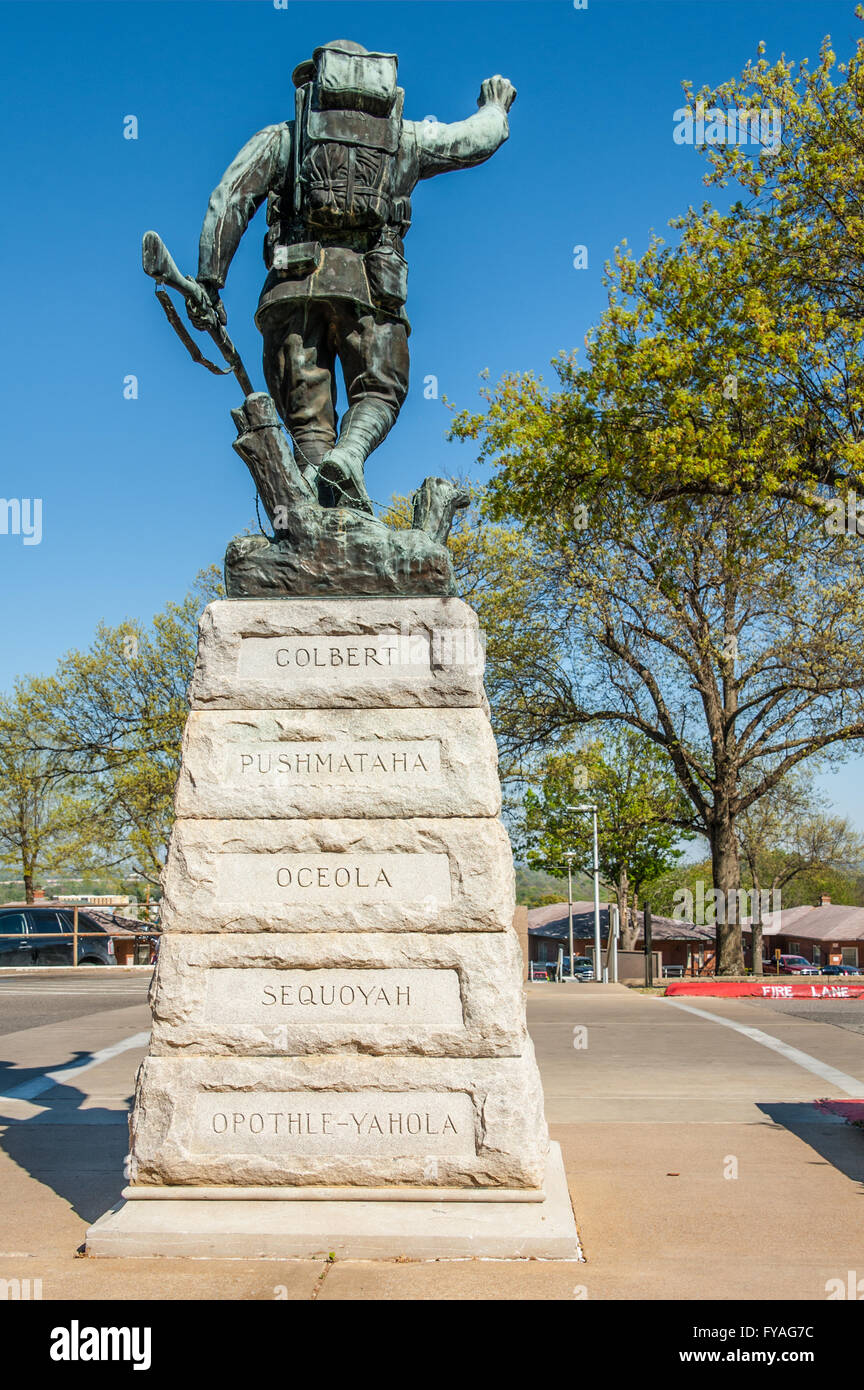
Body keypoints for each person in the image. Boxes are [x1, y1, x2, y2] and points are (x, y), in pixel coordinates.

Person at [187, 39, 516, 512]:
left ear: (312, 85)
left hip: (290, 289)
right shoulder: (405, 139)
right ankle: (349, 456)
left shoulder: (282, 138)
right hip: (373, 291)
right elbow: (474, 141)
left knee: (306, 417)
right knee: (380, 390)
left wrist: (209, 279)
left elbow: (229, 199)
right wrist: (495, 107)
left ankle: (323, 489)